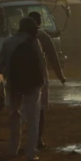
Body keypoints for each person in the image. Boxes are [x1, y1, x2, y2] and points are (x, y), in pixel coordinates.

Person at [0, 17, 46, 161]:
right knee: (33, 117)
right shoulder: (34, 42)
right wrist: (43, 82)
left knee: (14, 115)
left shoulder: (9, 42)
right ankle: (31, 152)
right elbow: (41, 63)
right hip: (32, 85)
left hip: (15, 84)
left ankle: (13, 149)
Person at [28, 11, 66, 150]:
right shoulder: (43, 36)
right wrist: (60, 76)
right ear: (39, 22)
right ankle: (37, 139)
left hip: (22, 77)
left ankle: (25, 139)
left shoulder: (16, 37)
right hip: (40, 76)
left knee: (24, 109)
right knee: (41, 109)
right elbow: (53, 57)